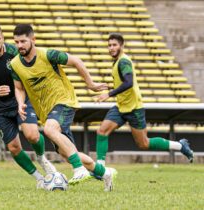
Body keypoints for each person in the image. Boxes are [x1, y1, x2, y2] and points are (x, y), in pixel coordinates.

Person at [10, 24, 117, 192]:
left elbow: (76, 61)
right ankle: (105, 173)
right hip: (46, 111)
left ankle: (79, 170)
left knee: (49, 130)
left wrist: (90, 84)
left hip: (64, 101)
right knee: (68, 153)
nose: (19, 46)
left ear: (33, 40)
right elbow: (19, 88)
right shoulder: (15, 64)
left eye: (23, 41)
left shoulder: (48, 55)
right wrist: (20, 102)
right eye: (16, 42)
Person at [0, 23, 56, 189]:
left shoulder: (14, 52)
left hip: (21, 99)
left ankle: (41, 158)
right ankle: (39, 178)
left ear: (3, 38)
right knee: (14, 147)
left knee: (32, 135)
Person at [94, 33, 194, 166]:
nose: (111, 48)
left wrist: (109, 94)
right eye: (109, 45)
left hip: (134, 108)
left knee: (144, 144)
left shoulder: (123, 61)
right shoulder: (117, 61)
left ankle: (180, 146)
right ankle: (100, 169)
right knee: (102, 131)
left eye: (114, 45)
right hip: (121, 106)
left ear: (122, 46)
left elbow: (128, 82)